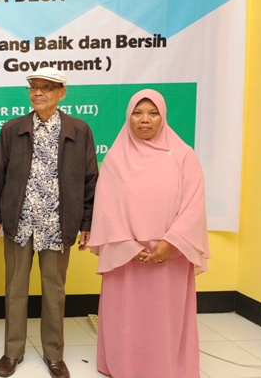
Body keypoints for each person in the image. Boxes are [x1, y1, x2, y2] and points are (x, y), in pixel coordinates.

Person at [87, 89, 210, 378]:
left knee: (164, 316)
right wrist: (128, 246)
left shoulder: (183, 156)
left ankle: (166, 366)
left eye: (153, 113)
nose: (145, 119)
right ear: (128, 117)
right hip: (126, 256)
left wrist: (171, 243)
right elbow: (105, 207)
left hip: (170, 256)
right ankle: (122, 364)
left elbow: (194, 204)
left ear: (163, 116)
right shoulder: (116, 158)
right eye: (138, 113)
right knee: (126, 315)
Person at [0, 67, 98, 378]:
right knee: (15, 289)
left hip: (58, 224)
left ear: (61, 93)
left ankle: (54, 355)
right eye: (34, 87)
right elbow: (0, 175)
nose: (38, 93)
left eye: (47, 88)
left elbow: (90, 179)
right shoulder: (13, 129)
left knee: (54, 291)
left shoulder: (79, 129)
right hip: (20, 222)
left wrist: (87, 222)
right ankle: (13, 351)